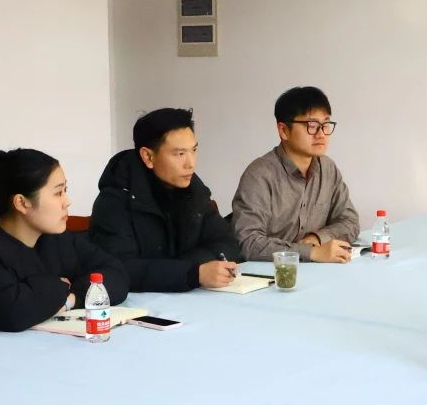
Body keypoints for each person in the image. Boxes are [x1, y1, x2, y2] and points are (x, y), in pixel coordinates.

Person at [0, 148, 129, 331]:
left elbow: (117, 275)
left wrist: (70, 299)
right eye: (58, 193)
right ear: (22, 203)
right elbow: (12, 311)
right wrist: (58, 287)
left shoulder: (55, 236)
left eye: (65, 190)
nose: (67, 202)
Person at [89, 108, 240, 291]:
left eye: (193, 150)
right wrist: (191, 273)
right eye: (179, 154)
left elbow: (227, 243)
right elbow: (120, 268)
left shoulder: (194, 191)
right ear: (148, 157)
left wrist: (188, 271)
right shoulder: (113, 202)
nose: (191, 163)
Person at [231, 86, 360, 263]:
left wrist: (317, 238)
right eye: (312, 126)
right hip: (267, 272)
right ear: (284, 130)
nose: (321, 134)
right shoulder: (259, 175)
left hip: (313, 270)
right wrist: (311, 252)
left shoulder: (327, 168)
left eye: (325, 124)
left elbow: (350, 221)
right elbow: (248, 242)